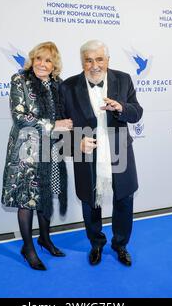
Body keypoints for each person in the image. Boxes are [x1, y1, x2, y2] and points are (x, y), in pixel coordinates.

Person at [59, 40, 143, 266]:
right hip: (86, 154)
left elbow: (137, 112)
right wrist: (76, 143)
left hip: (119, 151)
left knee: (124, 199)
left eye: (99, 59)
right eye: (88, 60)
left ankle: (120, 245)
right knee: (90, 202)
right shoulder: (67, 87)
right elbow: (58, 127)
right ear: (82, 62)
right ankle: (96, 244)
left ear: (107, 60)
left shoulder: (123, 79)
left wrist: (122, 108)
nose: (94, 65)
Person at [1, 41, 73, 271]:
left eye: (48, 60)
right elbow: (20, 117)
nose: (42, 64)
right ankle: (28, 248)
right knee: (26, 197)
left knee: (46, 193)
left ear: (55, 65)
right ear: (32, 60)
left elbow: (67, 115)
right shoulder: (19, 80)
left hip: (51, 148)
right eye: (39, 59)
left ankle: (45, 238)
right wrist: (54, 124)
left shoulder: (58, 85)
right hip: (26, 149)